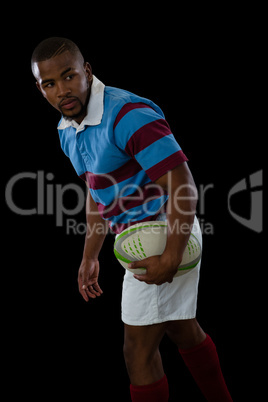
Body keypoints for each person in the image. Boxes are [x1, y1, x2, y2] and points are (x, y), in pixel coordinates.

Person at [31, 37, 233, 401]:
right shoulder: (67, 129)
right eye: (50, 84)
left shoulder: (126, 114)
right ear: (40, 88)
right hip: (137, 234)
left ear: (87, 72)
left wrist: (172, 255)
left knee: (136, 352)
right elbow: (98, 193)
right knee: (181, 329)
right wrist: (90, 255)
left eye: (69, 76)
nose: (62, 91)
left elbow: (184, 186)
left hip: (166, 230)